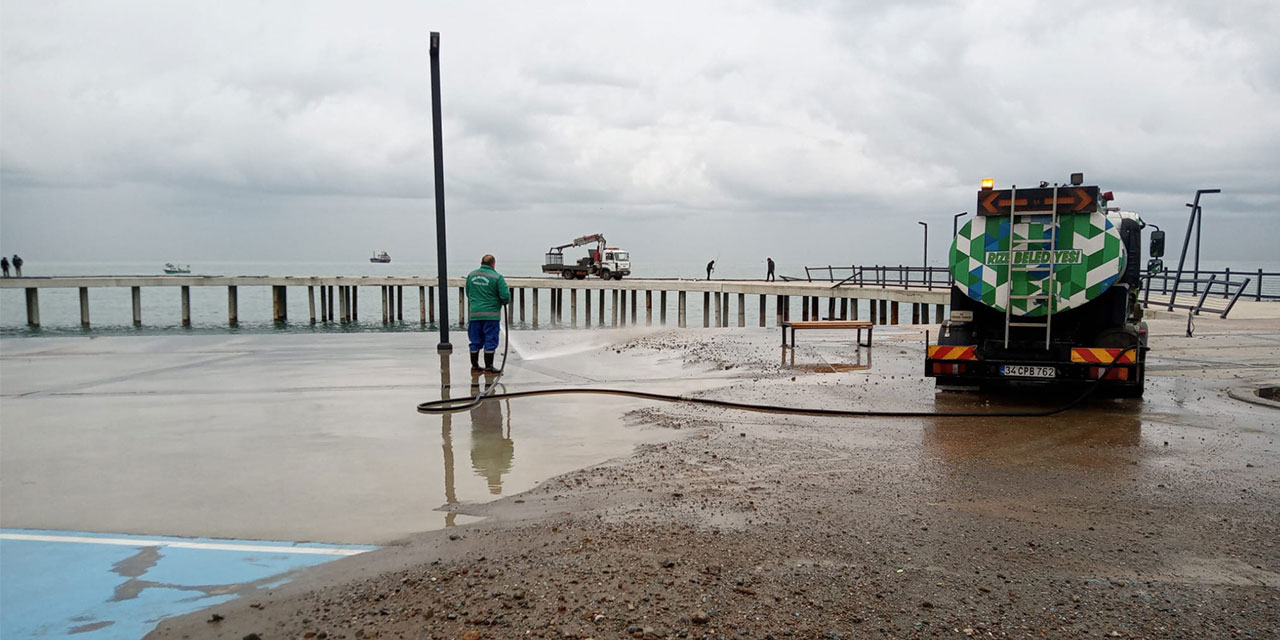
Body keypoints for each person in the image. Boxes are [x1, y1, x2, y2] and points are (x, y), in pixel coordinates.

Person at [465, 254, 511, 373]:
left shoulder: (471, 275)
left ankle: (474, 366)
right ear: (493, 264)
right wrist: (502, 301)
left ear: (481, 263)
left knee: (475, 340)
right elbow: (505, 296)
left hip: (474, 315)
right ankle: (489, 367)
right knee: (490, 340)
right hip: (491, 316)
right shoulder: (497, 277)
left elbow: (468, 293)